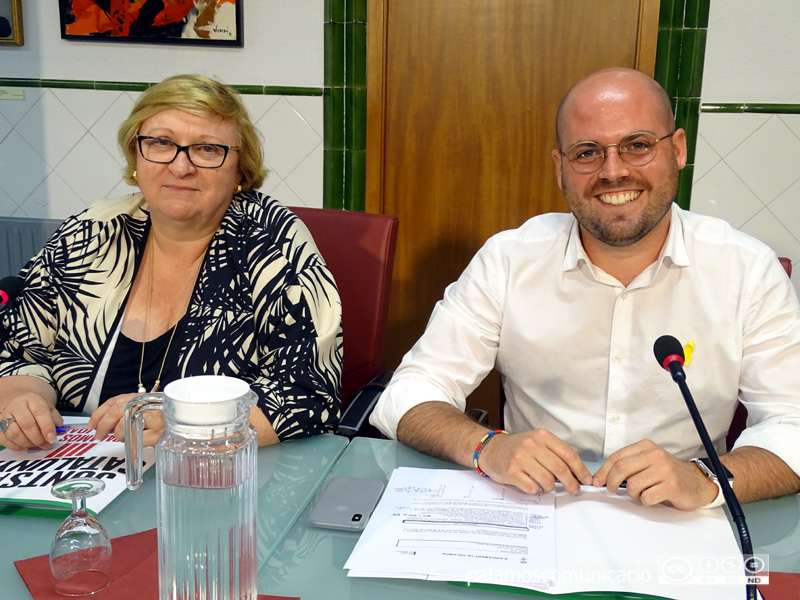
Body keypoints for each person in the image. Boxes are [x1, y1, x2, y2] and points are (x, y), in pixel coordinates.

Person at [370, 67, 800, 511]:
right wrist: (486, 447)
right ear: (560, 169)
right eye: (587, 153)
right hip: (534, 512)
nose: (613, 173)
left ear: (677, 150)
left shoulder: (747, 269)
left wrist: (705, 479)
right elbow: (410, 393)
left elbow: (793, 425)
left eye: (637, 146)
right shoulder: (510, 259)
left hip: (680, 520)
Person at [0, 74, 342, 450]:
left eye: (208, 149)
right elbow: (16, 347)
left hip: (216, 480)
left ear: (240, 170)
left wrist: (188, 425)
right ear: (136, 155)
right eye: (162, 143)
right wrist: (22, 398)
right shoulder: (91, 232)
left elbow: (309, 398)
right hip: (76, 470)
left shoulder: (273, 245)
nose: (181, 167)